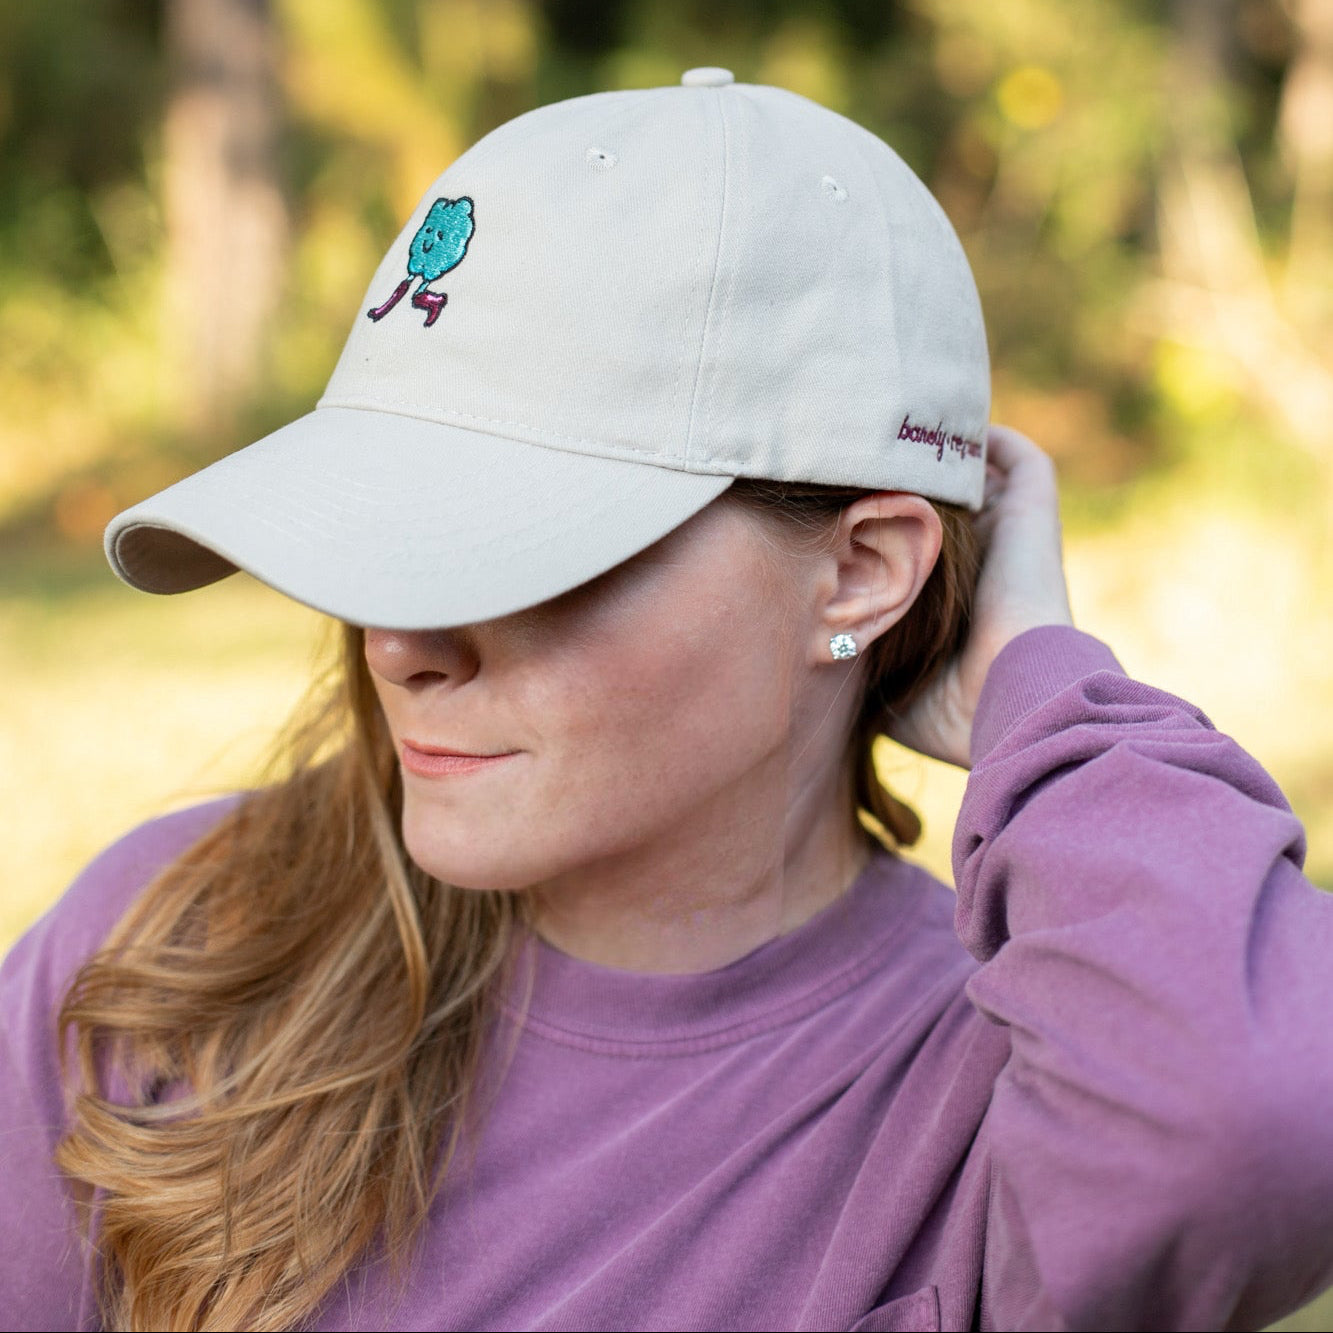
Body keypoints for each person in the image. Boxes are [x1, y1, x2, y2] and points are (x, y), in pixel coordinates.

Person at [3, 67, 1331, 1333]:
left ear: (859, 571)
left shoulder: (1002, 1094)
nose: (395, 641)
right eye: (381, 534)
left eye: (521, 548)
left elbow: (1259, 1119)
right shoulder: (177, 951)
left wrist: (1040, 696)